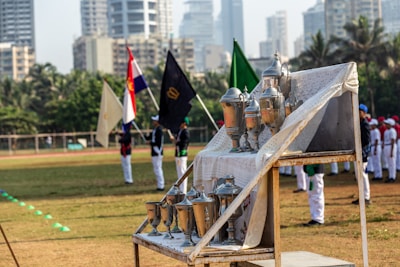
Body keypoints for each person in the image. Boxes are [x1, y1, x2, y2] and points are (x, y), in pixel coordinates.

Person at [352, 104, 371, 205]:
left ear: (364, 113)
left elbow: (366, 140)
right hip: (359, 152)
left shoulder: (365, 124)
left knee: (363, 175)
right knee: (358, 175)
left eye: (360, 111)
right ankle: (361, 196)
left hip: (362, 153)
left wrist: (360, 148)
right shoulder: (358, 123)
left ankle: (366, 197)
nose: (358, 113)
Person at [170, 116, 190, 194]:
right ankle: (180, 188)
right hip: (178, 154)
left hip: (182, 154)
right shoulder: (180, 131)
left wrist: (175, 141)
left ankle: (183, 190)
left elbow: (184, 143)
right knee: (179, 172)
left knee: (182, 172)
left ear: (184, 123)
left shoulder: (186, 132)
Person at [146, 115, 165, 191]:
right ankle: (159, 185)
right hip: (154, 151)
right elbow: (150, 137)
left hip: (157, 151)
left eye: (154, 120)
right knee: (156, 169)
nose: (153, 122)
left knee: (158, 168)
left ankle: (161, 185)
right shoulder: (155, 129)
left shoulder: (159, 130)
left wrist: (150, 143)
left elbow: (158, 142)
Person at [383, 118, 397, 183]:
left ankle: (393, 177)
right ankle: (390, 175)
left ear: (390, 124)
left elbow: (393, 141)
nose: (386, 125)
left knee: (392, 162)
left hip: (391, 146)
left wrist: (392, 151)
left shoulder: (392, 131)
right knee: (389, 163)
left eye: (387, 124)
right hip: (386, 146)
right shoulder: (386, 131)